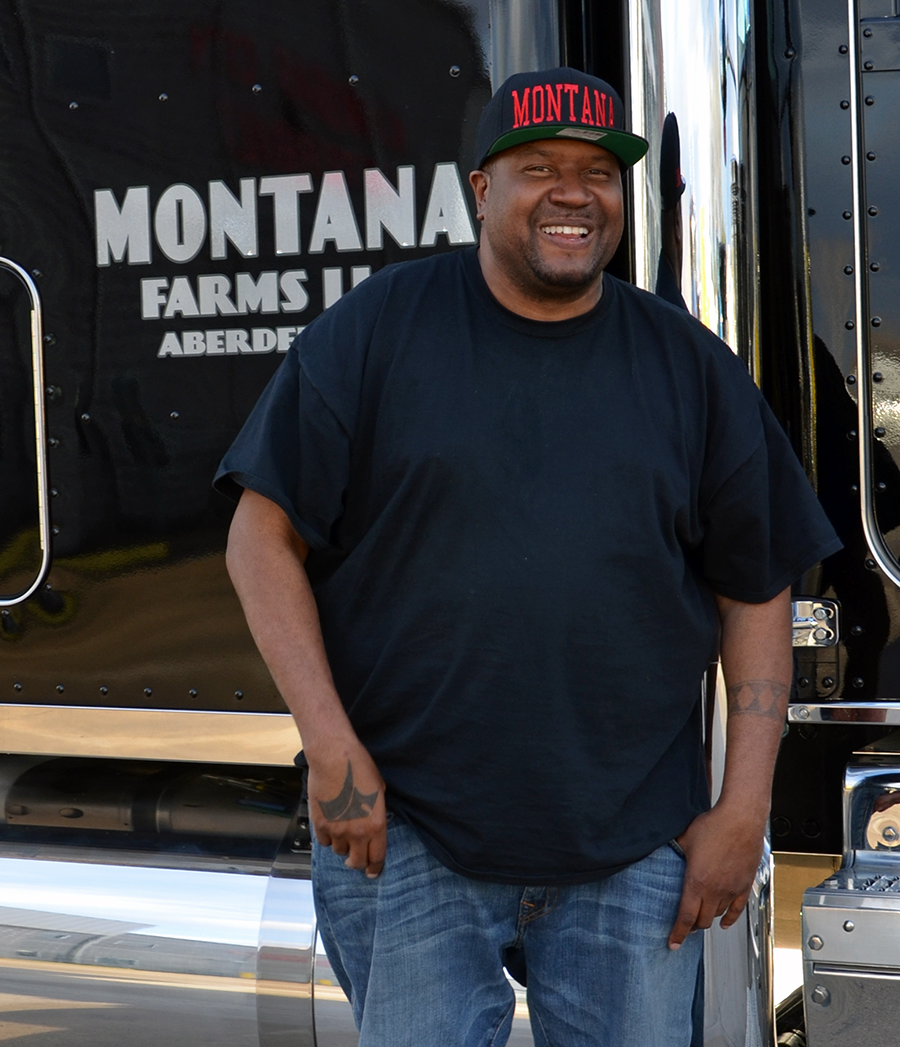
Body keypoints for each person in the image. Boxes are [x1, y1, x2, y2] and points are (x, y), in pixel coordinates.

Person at [217, 66, 840, 1047]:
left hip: (632, 844)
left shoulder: (687, 365)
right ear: (482, 189)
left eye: (598, 173)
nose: (573, 194)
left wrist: (743, 808)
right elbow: (260, 537)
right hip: (408, 834)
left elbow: (756, 585)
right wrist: (331, 746)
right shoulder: (381, 330)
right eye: (540, 167)